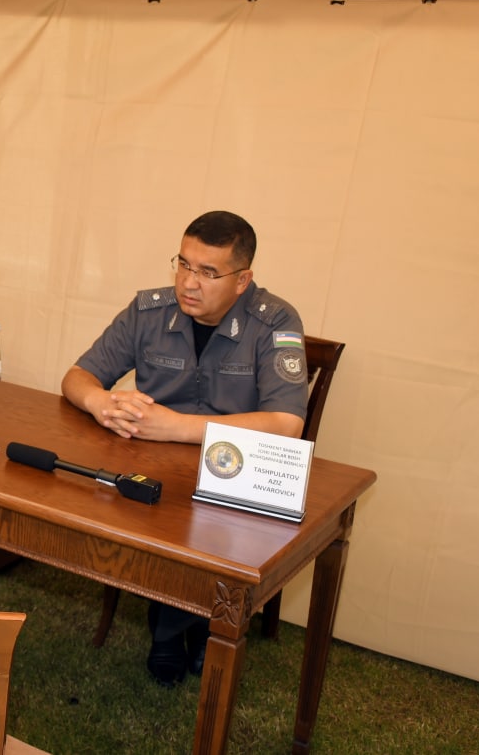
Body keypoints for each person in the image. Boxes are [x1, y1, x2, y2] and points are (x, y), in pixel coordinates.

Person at [61, 210, 308, 686]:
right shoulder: (148, 311)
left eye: (208, 272)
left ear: (242, 280)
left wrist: (177, 427)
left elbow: (286, 425)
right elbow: (78, 376)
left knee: (202, 517)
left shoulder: (275, 321)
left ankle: (175, 630)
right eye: (184, 264)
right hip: (152, 468)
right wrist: (100, 403)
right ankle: (186, 627)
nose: (189, 283)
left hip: (235, 473)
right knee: (135, 500)